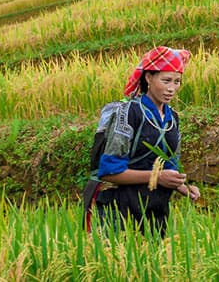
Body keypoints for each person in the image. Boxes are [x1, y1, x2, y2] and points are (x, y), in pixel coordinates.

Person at [85, 46, 200, 236]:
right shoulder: (128, 113)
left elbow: (168, 166)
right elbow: (109, 172)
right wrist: (156, 177)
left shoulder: (173, 119)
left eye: (177, 81)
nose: (171, 88)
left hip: (155, 208)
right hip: (119, 207)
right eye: (166, 80)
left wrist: (183, 187)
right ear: (148, 78)